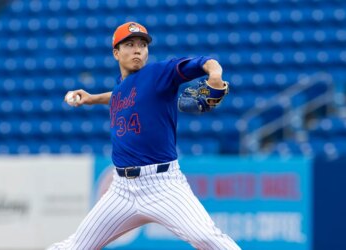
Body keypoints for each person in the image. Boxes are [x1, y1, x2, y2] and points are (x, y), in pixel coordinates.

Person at [47, 22, 240, 250]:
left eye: (142, 44)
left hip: (164, 186)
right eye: (129, 44)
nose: (138, 49)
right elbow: (122, 95)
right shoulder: (122, 86)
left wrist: (215, 74)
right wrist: (92, 98)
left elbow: (205, 62)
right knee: (75, 246)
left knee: (208, 239)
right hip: (121, 191)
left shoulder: (159, 73)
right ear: (116, 53)